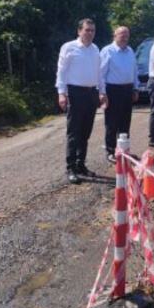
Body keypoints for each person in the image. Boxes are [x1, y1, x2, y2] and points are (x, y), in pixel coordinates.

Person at [56, 18, 105, 184]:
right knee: (74, 133)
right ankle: (70, 168)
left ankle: (80, 164)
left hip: (91, 94)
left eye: (92, 30)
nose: (90, 33)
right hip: (75, 93)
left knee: (85, 132)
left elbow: (99, 73)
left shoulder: (95, 49)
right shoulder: (69, 47)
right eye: (87, 30)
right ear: (79, 31)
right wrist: (62, 93)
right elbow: (61, 72)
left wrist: (102, 92)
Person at [99, 26, 139, 163]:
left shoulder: (130, 51)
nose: (124, 37)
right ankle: (110, 151)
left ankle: (124, 151)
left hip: (127, 90)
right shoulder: (107, 51)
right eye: (121, 34)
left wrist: (135, 88)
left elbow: (134, 71)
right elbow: (101, 74)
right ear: (114, 35)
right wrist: (102, 92)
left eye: (126, 35)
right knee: (112, 123)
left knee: (125, 122)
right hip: (112, 90)